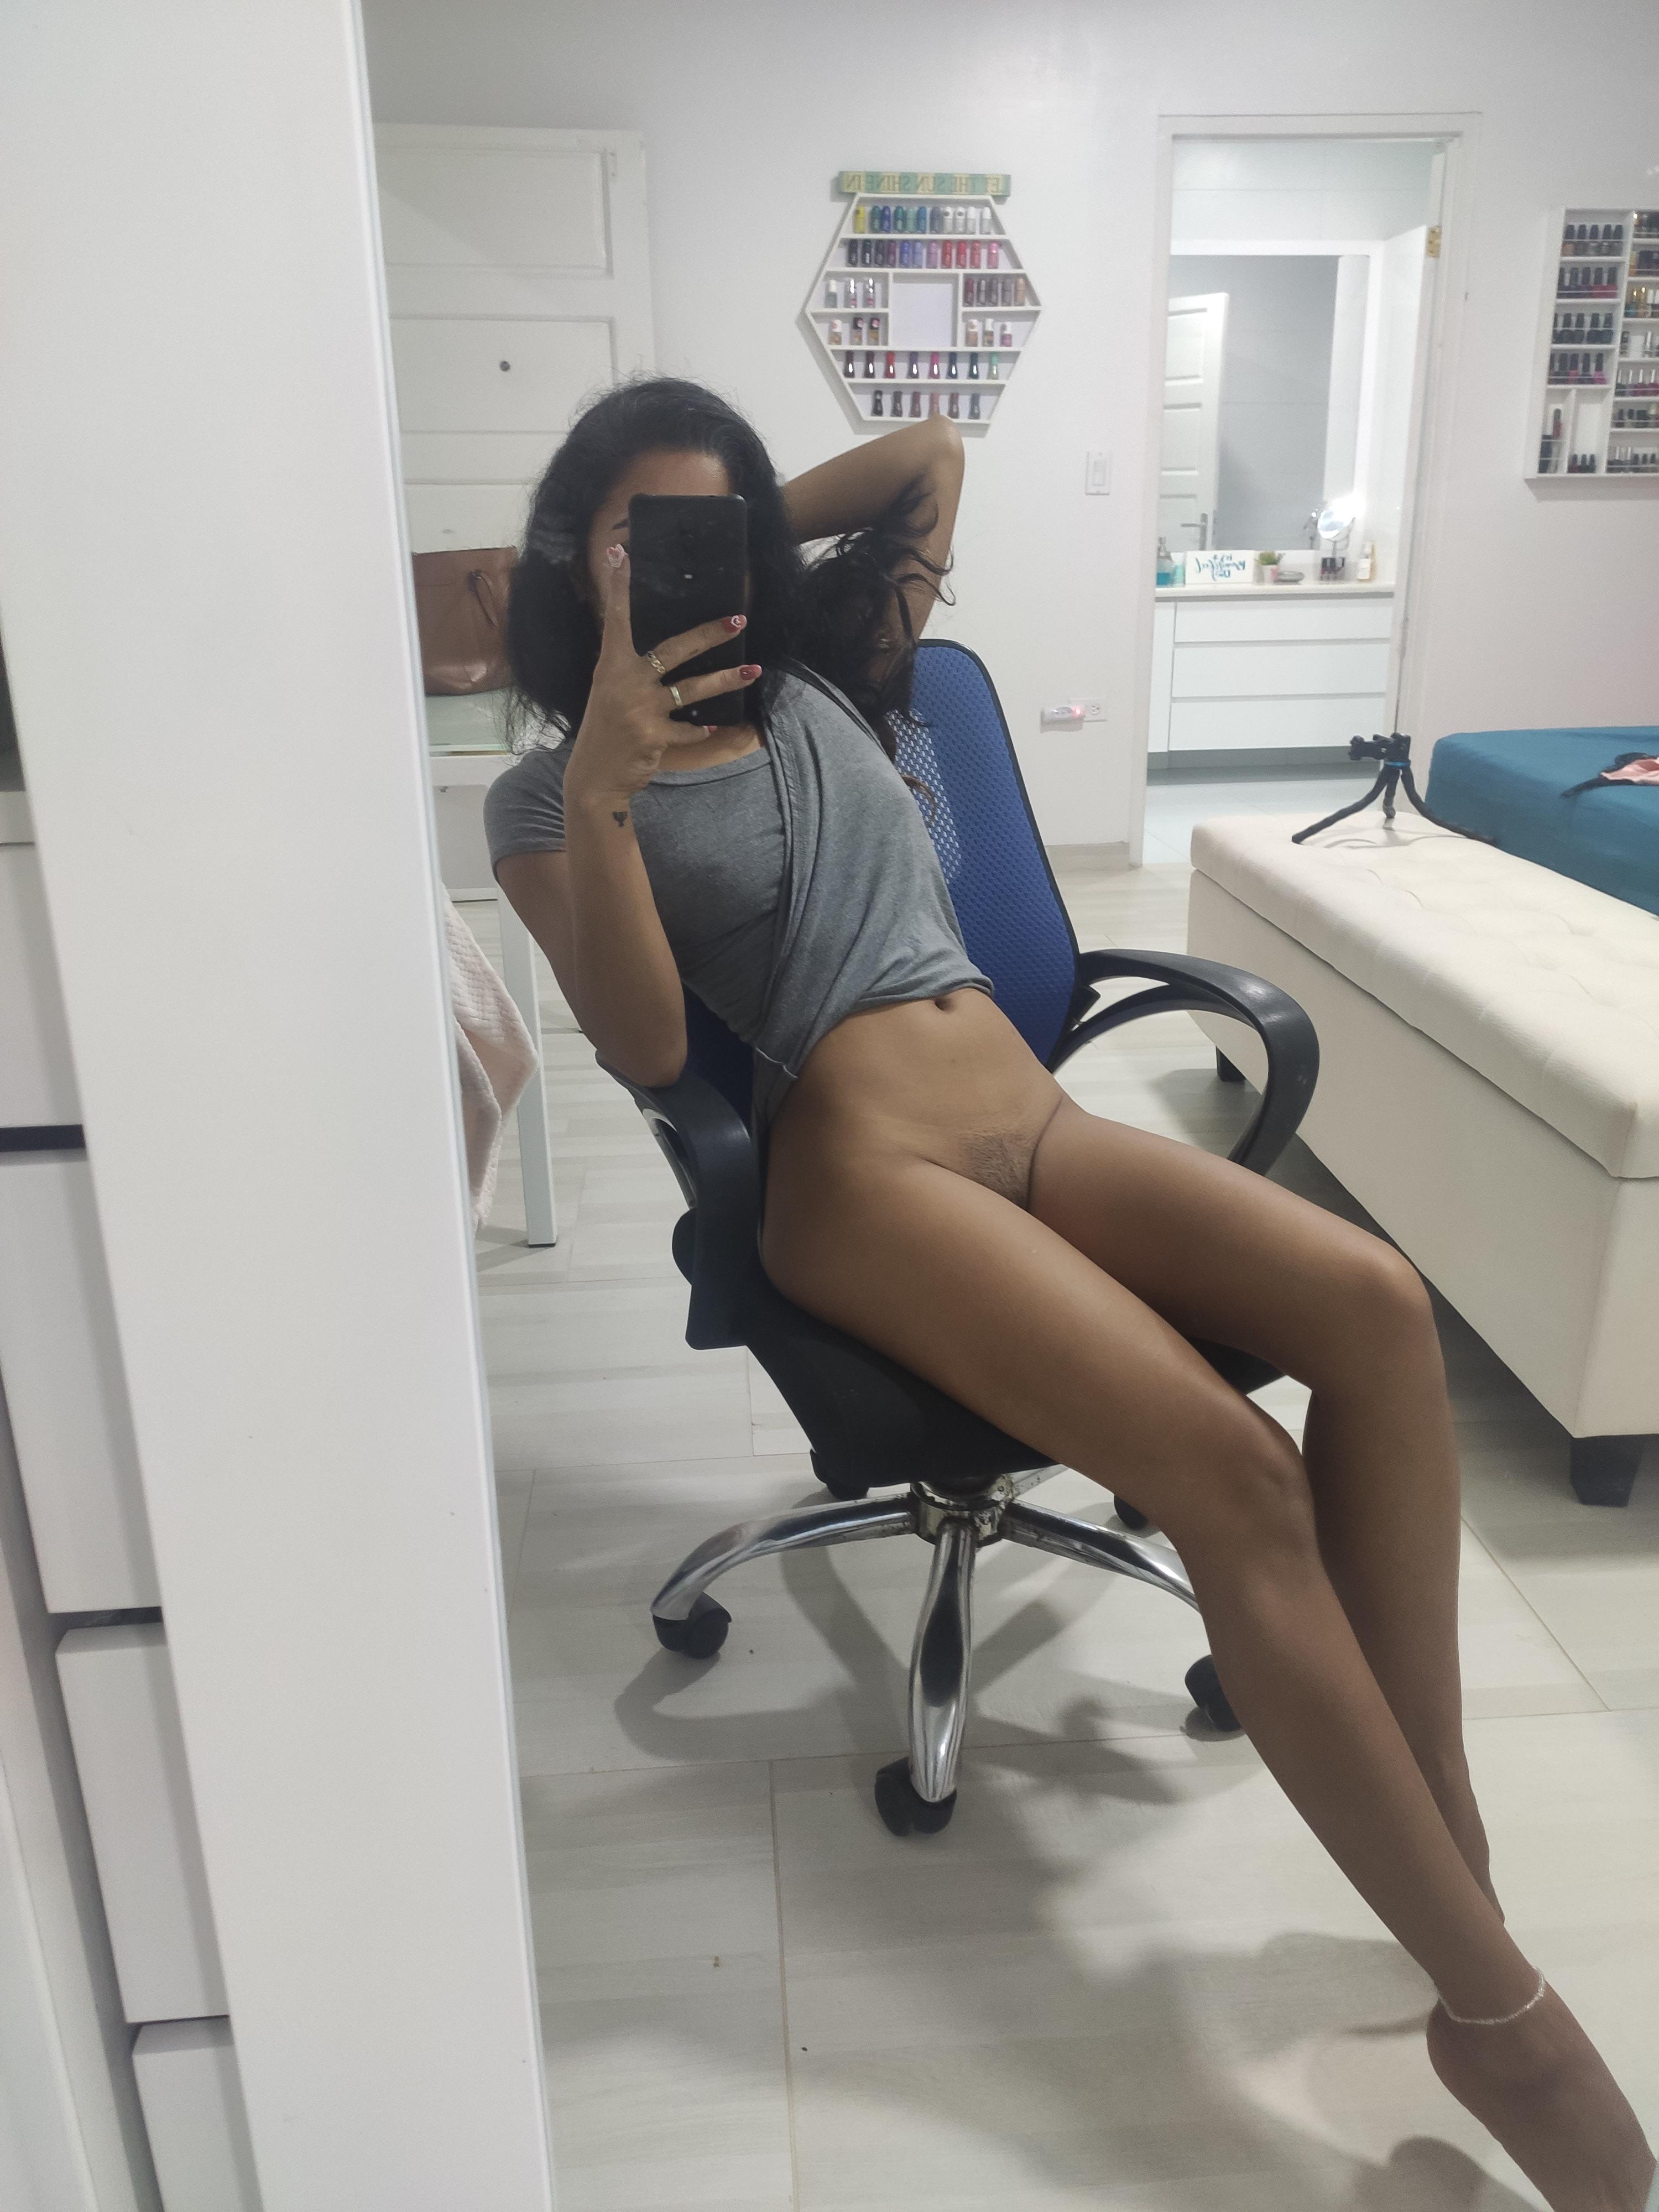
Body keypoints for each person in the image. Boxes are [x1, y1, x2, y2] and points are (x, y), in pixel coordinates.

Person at [486, 376, 1654, 2212]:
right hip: (858, 1172)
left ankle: (1449, 1850)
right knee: (1235, 1475)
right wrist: (610, 780)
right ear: (576, 557)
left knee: (1377, 1308)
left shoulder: (836, 674)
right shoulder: (545, 796)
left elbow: (928, 461)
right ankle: (1502, 2015)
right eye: (639, 536)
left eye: (716, 530)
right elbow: (641, 1043)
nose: (686, 564)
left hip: (1032, 1115)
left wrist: (732, 540)